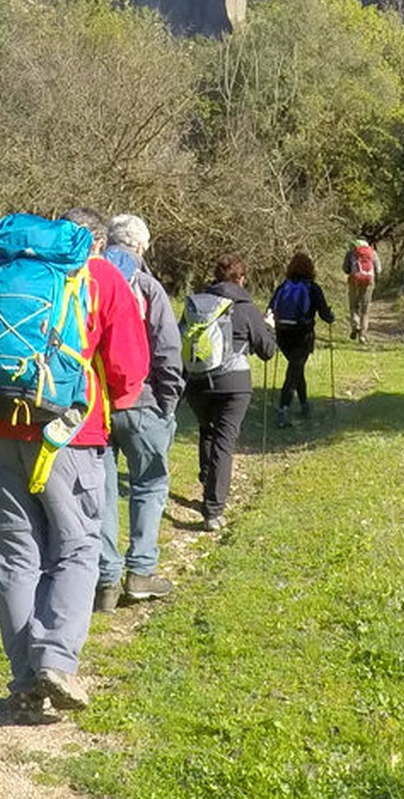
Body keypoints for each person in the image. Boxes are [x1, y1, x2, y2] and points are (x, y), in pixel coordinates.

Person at [0, 208, 148, 721]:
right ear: (90, 240)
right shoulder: (101, 276)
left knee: (13, 557)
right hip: (70, 434)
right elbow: (129, 369)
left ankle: (25, 683)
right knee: (78, 548)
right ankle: (56, 661)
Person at [95, 212, 184, 611]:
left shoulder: (88, 279)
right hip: (142, 402)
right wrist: (168, 403)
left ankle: (106, 580)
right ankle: (141, 573)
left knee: (103, 491)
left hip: (96, 404)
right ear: (142, 246)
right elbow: (167, 350)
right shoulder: (147, 286)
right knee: (148, 484)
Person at [178, 256, 277, 532]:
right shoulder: (245, 308)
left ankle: (208, 483)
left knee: (207, 431)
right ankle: (213, 510)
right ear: (241, 279)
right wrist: (269, 326)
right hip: (234, 383)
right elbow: (267, 351)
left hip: (197, 381)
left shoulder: (196, 304)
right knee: (224, 440)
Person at [268, 251, 335, 422]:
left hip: (283, 335)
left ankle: (305, 404)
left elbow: (270, 309)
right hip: (302, 335)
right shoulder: (313, 288)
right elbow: (325, 315)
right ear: (310, 269)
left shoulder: (283, 286)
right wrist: (331, 316)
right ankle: (283, 408)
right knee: (294, 370)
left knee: (297, 368)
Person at [341, 230, 379, 341]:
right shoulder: (373, 253)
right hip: (368, 282)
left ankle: (355, 325)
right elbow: (378, 269)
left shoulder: (350, 252)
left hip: (354, 281)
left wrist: (352, 271)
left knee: (354, 306)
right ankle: (362, 335)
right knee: (365, 309)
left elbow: (345, 268)